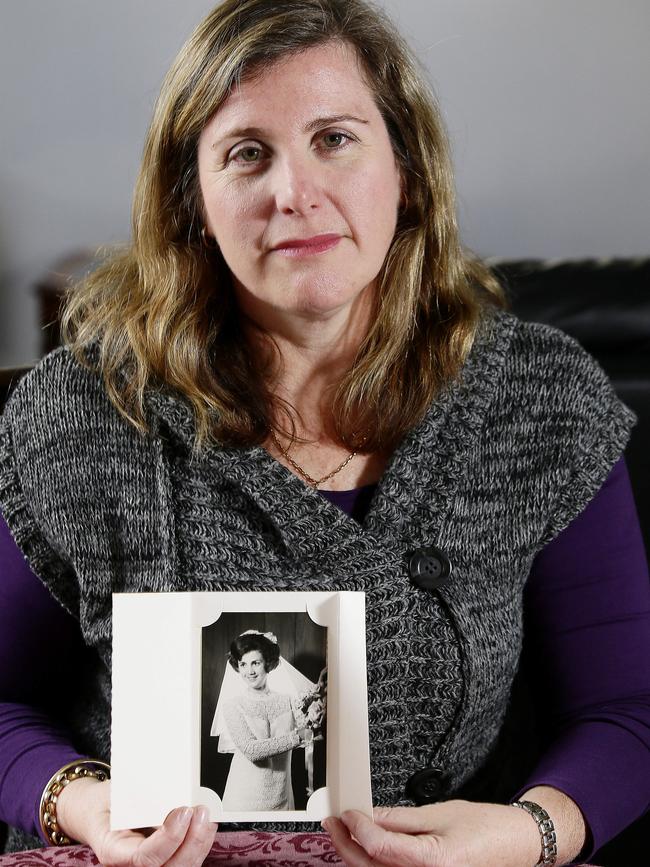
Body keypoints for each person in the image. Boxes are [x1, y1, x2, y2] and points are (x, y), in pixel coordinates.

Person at [0, 0, 649, 865]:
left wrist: (526, 831)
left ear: (406, 172)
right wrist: (83, 806)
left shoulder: (540, 400)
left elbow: (629, 711)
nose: (294, 192)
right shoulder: (80, 411)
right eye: (246, 153)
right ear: (193, 197)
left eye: (334, 139)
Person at [212, 631, 310, 811]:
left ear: (268, 663)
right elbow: (252, 751)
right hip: (243, 797)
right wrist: (298, 737)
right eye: (243, 664)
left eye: (255, 663)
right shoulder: (232, 705)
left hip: (282, 796)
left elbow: (313, 729)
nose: (249, 671)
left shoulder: (289, 700)